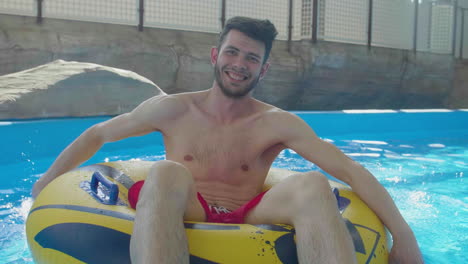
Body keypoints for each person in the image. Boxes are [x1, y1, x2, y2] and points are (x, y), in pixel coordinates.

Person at [32, 16, 423, 264]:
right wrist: (47, 182)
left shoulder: (275, 123)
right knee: (167, 172)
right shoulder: (172, 109)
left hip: (250, 213)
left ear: (264, 68)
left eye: (251, 58)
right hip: (189, 208)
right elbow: (98, 134)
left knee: (313, 183)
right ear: (216, 55)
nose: (240, 64)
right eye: (233, 52)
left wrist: (403, 236)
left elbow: (350, 170)